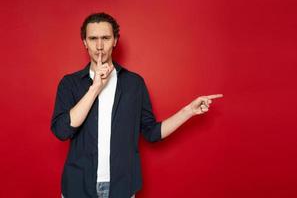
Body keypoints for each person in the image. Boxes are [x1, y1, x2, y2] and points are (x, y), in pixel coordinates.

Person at [50, 12, 223, 198]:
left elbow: (152, 133)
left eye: (106, 38)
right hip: (78, 187)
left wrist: (188, 111)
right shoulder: (69, 83)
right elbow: (61, 131)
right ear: (85, 42)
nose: (99, 46)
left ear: (115, 40)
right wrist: (95, 88)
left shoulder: (134, 83)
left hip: (122, 187)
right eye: (93, 39)